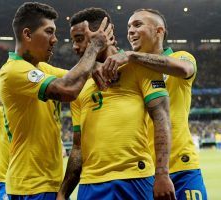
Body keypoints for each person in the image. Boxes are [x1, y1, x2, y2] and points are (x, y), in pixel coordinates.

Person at [57, 8, 175, 200]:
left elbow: (162, 117)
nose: (74, 47)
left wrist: (162, 173)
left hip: (135, 178)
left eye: (79, 39)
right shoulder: (79, 85)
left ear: (104, 34)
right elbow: (78, 147)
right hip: (90, 183)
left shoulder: (139, 65)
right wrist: (63, 193)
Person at [0, 2, 113, 198]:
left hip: (45, 183)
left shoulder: (42, 69)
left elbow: (79, 77)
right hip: (31, 184)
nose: (55, 39)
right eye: (49, 32)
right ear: (27, 35)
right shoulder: (12, 71)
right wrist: (93, 48)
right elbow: (68, 89)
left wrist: (102, 65)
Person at [100, 8, 207, 200]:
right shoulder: (127, 70)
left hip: (182, 168)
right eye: (129, 27)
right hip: (142, 174)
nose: (130, 31)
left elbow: (184, 69)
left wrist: (132, 56)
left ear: (160, 31)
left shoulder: (181, 57)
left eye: (138, 24)